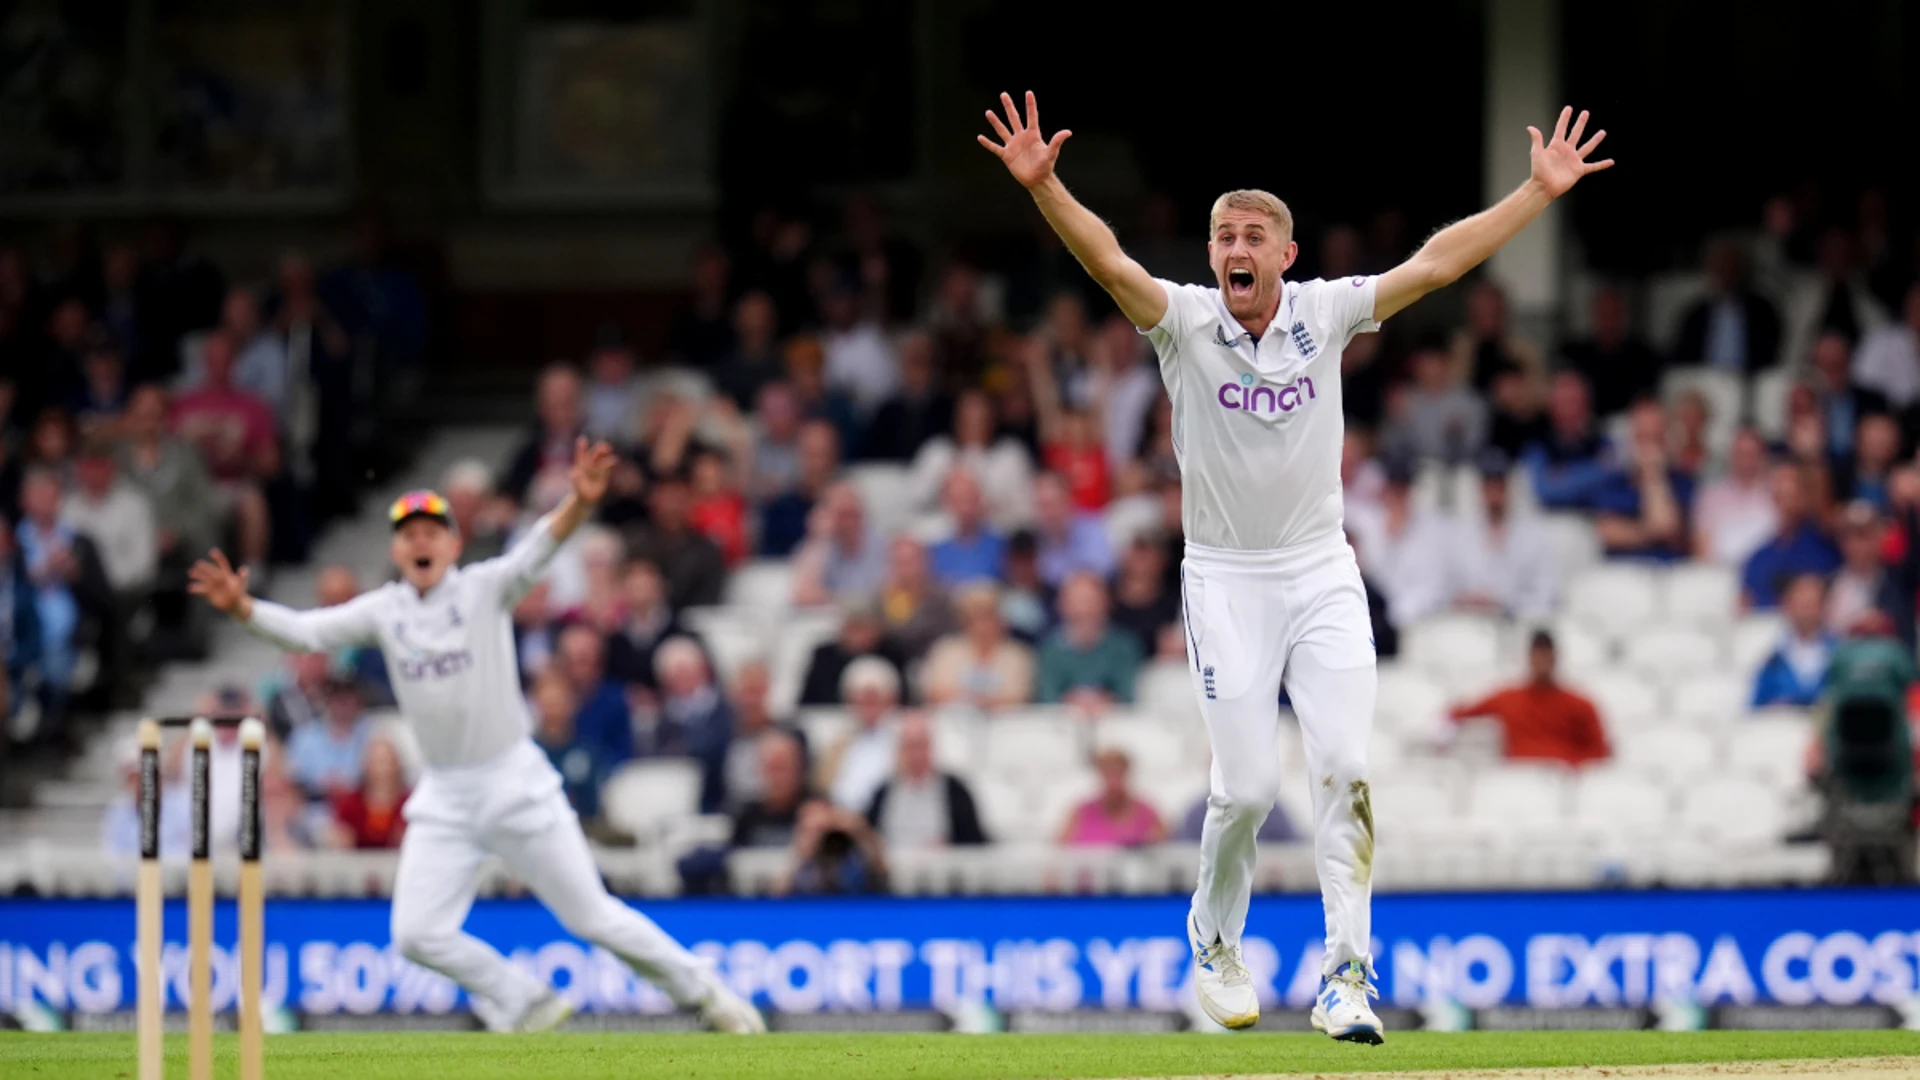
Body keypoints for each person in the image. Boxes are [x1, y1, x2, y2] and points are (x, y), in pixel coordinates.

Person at [980, 89, 1614, 1038]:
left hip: (1321, 570)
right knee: (1244, 789)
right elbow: (1108, 261)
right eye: (1223, 235)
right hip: (1225, 578)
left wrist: (1534, 192)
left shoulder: (1326, 312)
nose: (1236, 249)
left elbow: (1437, 264)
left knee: (1347, 769)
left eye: (1254, 236)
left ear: (1286, 255)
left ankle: (1346, 977)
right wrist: (1045, 188)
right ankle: (1215, 935)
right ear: (1211, 255)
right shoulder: (1184, 323)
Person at [187, 437, 763, 1034]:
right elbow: (307, 634)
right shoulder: (385, 611)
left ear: (454, 543)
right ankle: (522, 999)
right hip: (447, 795)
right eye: (408, 534)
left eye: (432, 531)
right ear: (396, 548)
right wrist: (244, 609)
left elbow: (540, 548)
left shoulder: (485, 588)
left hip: (514, 780)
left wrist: (578, 501)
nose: (420, 542)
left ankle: (710, 997)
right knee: (414, 934)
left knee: (592, 917)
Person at [1447, 631, 1611, 766]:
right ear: (1529, 658)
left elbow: (1599, 751)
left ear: (1555, 659)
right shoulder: (1507, 698)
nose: (1542, 663)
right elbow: (1460, 713)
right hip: (1519, 777)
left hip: (1562, 779)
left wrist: (1570, 765)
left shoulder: (1579, 704)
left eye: (1546, 657)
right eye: (1538, 657)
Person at [1449, 449, 1557, 621]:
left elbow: (1545, 592)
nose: (1494, 491)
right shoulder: (1461, 533)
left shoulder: (1533, 533)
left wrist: (1503, 603)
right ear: (1480, 487)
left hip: (1515, 625)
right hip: (1470, 626)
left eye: (1499, 483)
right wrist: (1467, 600)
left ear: (1508, 486)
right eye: (1488, 483)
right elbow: (1448, 586)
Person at [863, 713, 988, 848]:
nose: (916, 754)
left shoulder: (956, 792)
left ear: (932, 747)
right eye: (910, 746)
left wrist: (948, 845)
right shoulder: (883, 792)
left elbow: (973, 841)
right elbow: (868, 837)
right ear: (900, 750)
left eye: (921, 745)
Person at [920, 583, 1035, 710]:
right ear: (965, 621)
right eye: (976, 618)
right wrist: (975, 700)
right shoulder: (946, 651)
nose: (982, 626)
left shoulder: (1017, 655)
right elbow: (935, 693)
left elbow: (1019, 696)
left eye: (988, 617)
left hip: (1007, 725)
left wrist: (975, 700)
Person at [1743, 462, 1842, 610]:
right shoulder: (1759, 558)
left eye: (1793, 491)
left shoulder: (1828, 544)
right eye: (1781, 493)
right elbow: (1748, 605)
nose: (1788, 498)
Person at [1674, 239, 1782, 374]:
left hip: (1749, 382)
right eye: (1720, 267)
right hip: (1703, 381)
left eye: (1732, 266)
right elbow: (1683, 357)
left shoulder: (1762, 310)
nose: (1726, 271)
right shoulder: (1696, 314)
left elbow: (1771, 354)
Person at [1035, 571, 1141, 709]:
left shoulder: (1125, 646)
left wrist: (1104, 701)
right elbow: (1047, 696)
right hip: (1060, 723)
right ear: (1061, 605)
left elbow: (1128, 694)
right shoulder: (1048, 649)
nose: (1084, 610)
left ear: (1106, 603)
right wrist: (1071, 702)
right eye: (1076, 601)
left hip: (1114, 722)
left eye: (1090, 601)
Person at [1559, 286, 1666, 418]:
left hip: (1628, 425)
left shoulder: (1642, 357)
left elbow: (1646, 401)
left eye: (1614, 315)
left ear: (1624, 317)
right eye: (1604, 315)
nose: (1609, 322)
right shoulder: (1576, 355)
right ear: (1594, 316)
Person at [817, 656, 903, 813]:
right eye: (862, 701)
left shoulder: (903, 744)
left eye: (874, 700)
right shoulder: (836, 745)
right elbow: (822, 788)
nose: (868, 708)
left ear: (890, 701)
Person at [1693, 428, 1779, 568]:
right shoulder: (1711, 496)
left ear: (1762, 456)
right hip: (1720, 574)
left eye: (1751, 454)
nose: (1746, 460)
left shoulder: (1775, 492)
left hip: (1767, 574)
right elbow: (1702, 552)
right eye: (1741, 454)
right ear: (1731, 455)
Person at [1752, 574, 1838, 708]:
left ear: (1824, 607)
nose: (1806, 612)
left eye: (1811, 604)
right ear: (1787, 606)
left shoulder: (1840, 654)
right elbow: (1755, 709)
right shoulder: (1772, 660)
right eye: (1801, 605)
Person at [284, 672, 374, 799]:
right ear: (326, 700)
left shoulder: (373, 733)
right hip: (313, 805)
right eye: (336, 698)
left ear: (359, 700)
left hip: (361, 803)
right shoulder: (304, 736)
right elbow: (291, 778)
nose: (342, 704)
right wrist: (319, 784)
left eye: (348, 697)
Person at [1059, 747, 1167, 847]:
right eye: (1107, 773)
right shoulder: (1080, 813)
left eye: (1118, 773)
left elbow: (1165, 845)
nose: (1113, 780)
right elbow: (1060, 848)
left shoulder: (1147, 813)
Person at [928, 468, 1006, 586]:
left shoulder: (1001, 546)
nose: (965, 508)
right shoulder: (933, 553)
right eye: (957, 500)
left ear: (979, 499)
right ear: (946, 504)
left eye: (969, 498)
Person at [330, 735, 411, 850]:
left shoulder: (409, 803)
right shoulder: (349, 804)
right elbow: (338, 837)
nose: (382, 769)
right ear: (365, 764)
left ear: (397, 764)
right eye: (377, 761)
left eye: (386, 761)